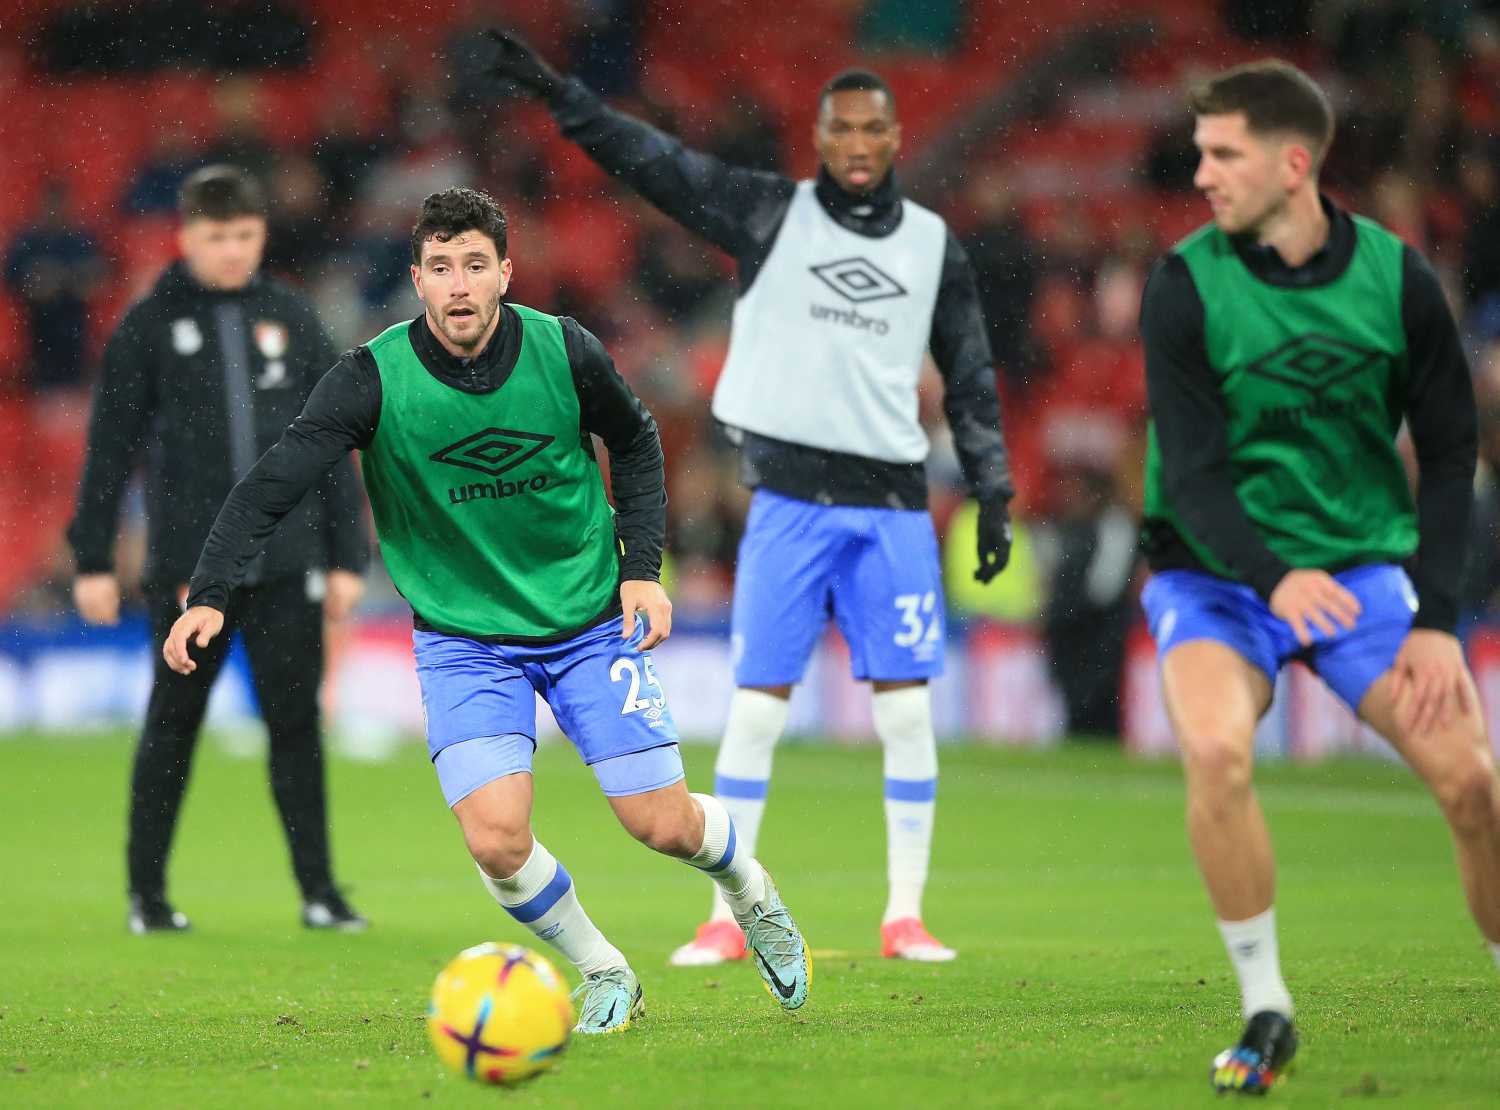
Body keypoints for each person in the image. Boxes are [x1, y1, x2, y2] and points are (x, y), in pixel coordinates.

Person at [162, 187, 812, 1033]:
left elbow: (637, 440)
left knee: (661, 824)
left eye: (475, 265)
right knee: (496, 840)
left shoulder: (563, 349)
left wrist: (642, 570)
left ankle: (752, 894)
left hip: (588, 622)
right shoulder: (370, 378)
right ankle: (604, 970)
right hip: (465, 640)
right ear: (417, 281)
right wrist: (212, 592)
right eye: (441, 268)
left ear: (506, 272)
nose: (459, 285)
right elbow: (272, 484)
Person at [487, 31, 1015, 967]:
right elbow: (657, 163)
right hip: (789, 500)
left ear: (896, 137)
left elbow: (970, 374)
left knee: (905, 711)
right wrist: (569, 100)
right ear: (820, 136)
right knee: (759, 707)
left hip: (893, 505)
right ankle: (726, 918)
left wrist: (993, 487)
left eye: (874, 129)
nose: (859, 144)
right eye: (842, 128)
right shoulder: (773, 213)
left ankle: (905, 916)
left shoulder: (932, 246)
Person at [1138, 60, 1500, 1094]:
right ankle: (1267, 1010)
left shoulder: (1397, 280)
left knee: (1474, 783)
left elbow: (1452, 452)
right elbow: (1193, 474)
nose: (1201, 175)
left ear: (1293, 164)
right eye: (1200, 153)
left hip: (1356, 576)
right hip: (1216, 577)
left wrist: (1436, 620)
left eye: (1224, 154)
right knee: (1218, 753)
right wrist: (1271, 575)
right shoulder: (1184, 283)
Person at [67, 165, 371, 935]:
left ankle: (320, 894)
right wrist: (93, 559)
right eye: (216, 236)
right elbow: (110, 449)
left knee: (296, 728)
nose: (232, 250)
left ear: (261, 234)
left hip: (289, 562)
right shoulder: (149, 324)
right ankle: (147, 896)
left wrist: (347, 555)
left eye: (244, 235)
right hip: (187, 570)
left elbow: (333, 442)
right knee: (171, 730)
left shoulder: (293, 316)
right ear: (187, 236)